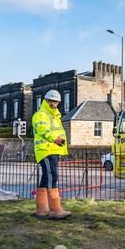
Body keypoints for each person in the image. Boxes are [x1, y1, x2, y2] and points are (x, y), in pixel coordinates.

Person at [32, 90, 71, 220]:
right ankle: (55, 210)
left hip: (53, 150)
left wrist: (60, 144)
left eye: (56, 102)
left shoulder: (55, 115)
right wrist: (58, 141)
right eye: (52, 101)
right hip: (46, 150)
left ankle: (42, 210)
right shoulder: (40, 115)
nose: (54, 104)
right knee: (52, 176)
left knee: (46, 178)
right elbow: (43, 131)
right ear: (46, 100)